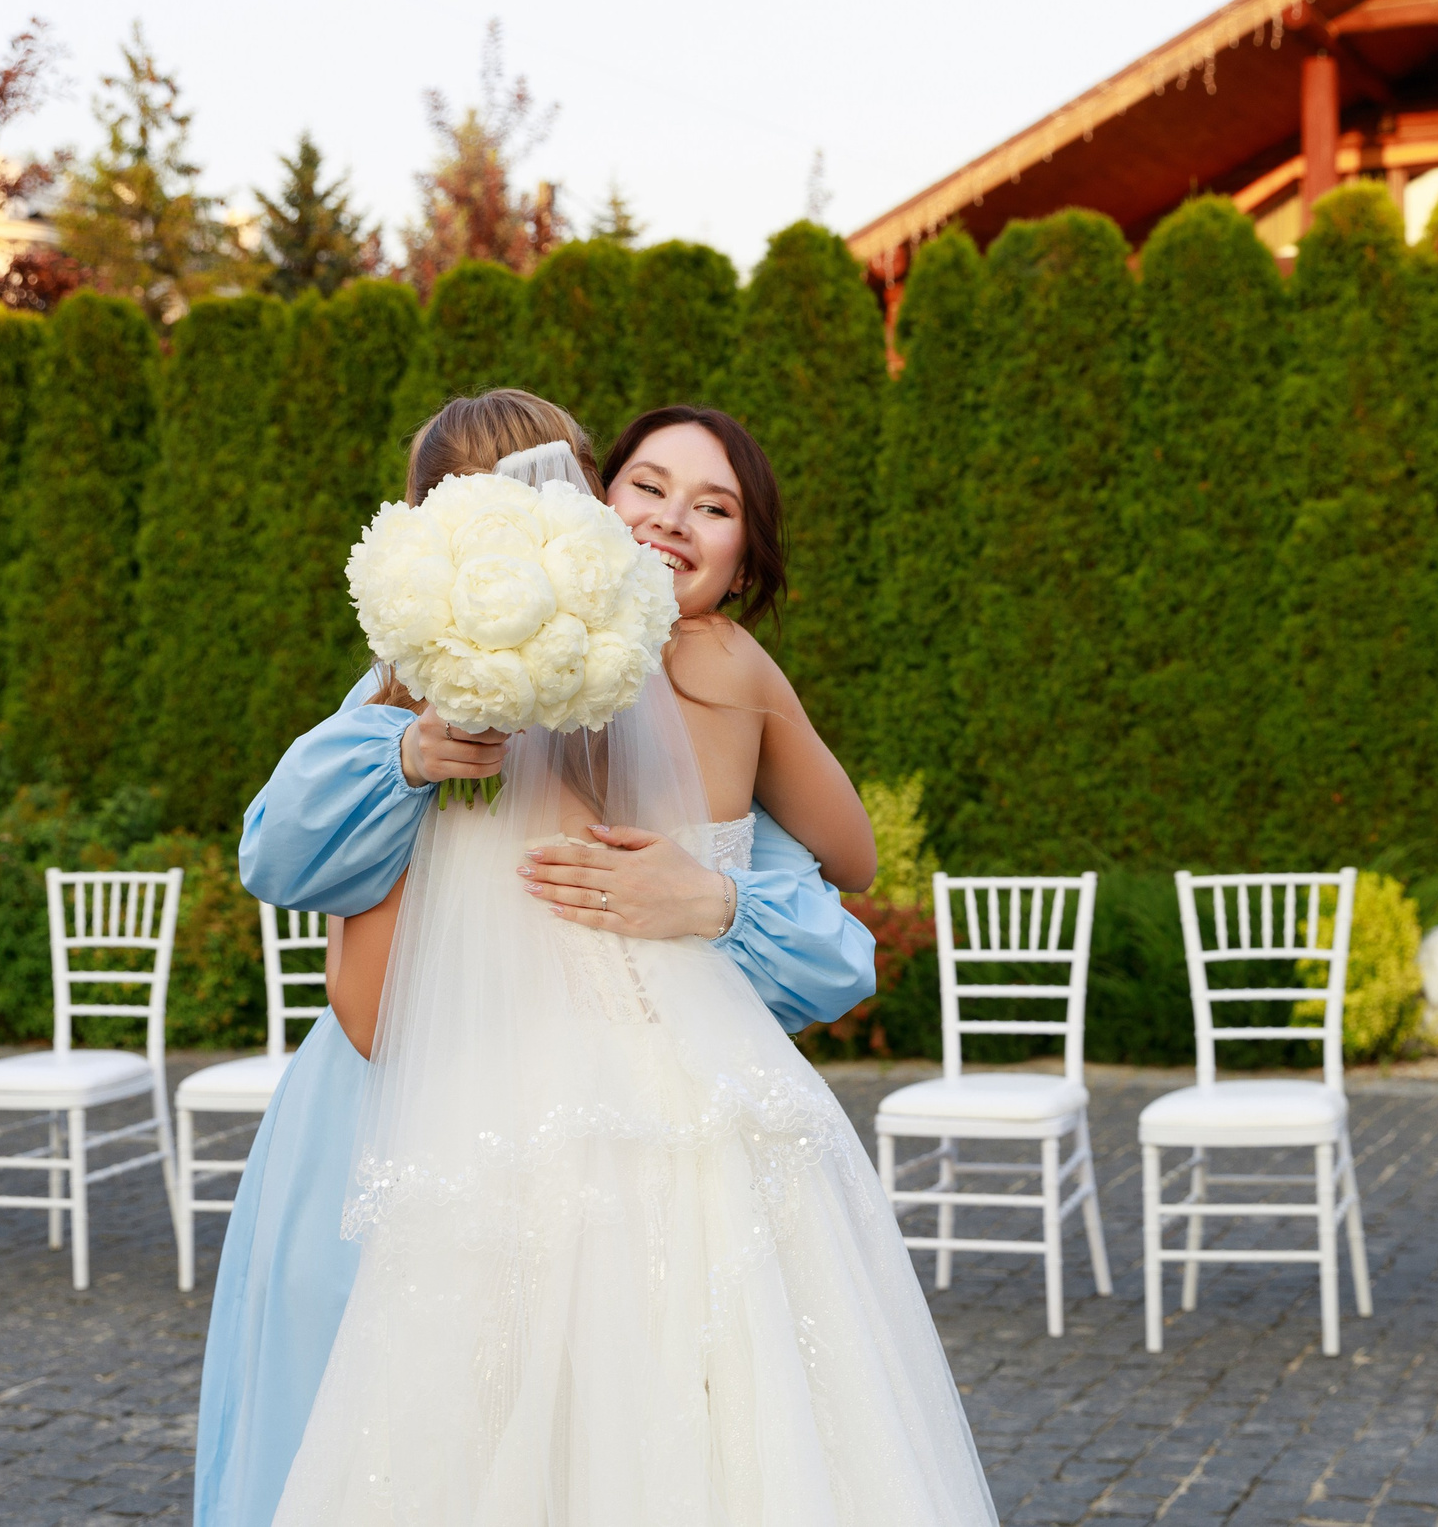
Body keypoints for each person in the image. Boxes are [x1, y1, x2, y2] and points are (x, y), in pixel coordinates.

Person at [271, 403, 996, 1524]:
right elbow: (327, 925)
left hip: (590, 1103)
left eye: (715, 506)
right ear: (592, 508)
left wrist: (710, 900)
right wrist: (419, 747)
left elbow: (836, 897)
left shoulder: (691, 678)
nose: (668, 520)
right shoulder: (449, 696)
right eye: (645, 489)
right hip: (445, 1112)